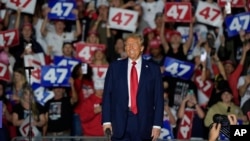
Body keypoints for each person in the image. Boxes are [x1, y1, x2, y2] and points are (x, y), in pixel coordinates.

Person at [102, 33, 164, 141]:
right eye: (127, 45)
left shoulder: (153, 69)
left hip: (144, 123)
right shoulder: (115, 67)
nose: (130, 48)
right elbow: (107, 95)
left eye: (134, 45)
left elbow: (159, 99)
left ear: (141, 48)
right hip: (119, 122)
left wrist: (157, 125)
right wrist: (106, 121)